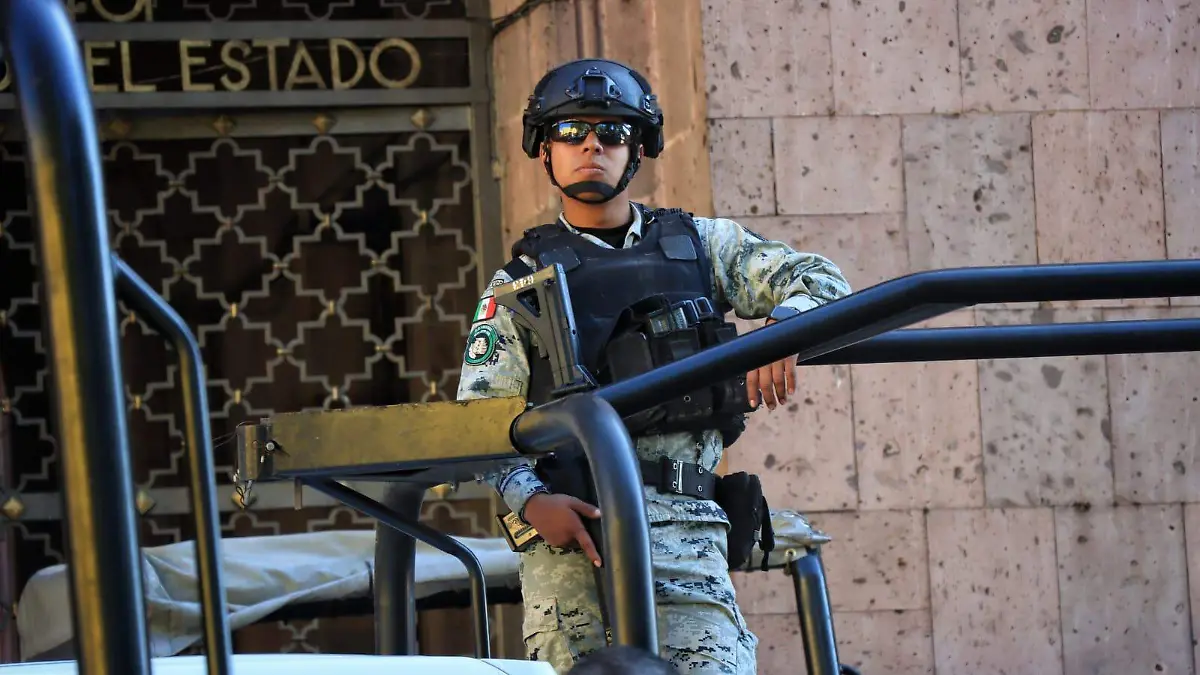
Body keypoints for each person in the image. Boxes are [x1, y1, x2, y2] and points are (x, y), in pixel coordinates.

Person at [456, 58, 852, 674]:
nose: (592, 146)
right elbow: (479, 420)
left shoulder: (701, 246)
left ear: (638, 148)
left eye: (612, 132)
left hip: (688, 532)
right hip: (575, 546)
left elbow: (821, 279)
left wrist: (787, 326)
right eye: (571, 132)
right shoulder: (518, 285)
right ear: (544, 151)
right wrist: (531, 503)